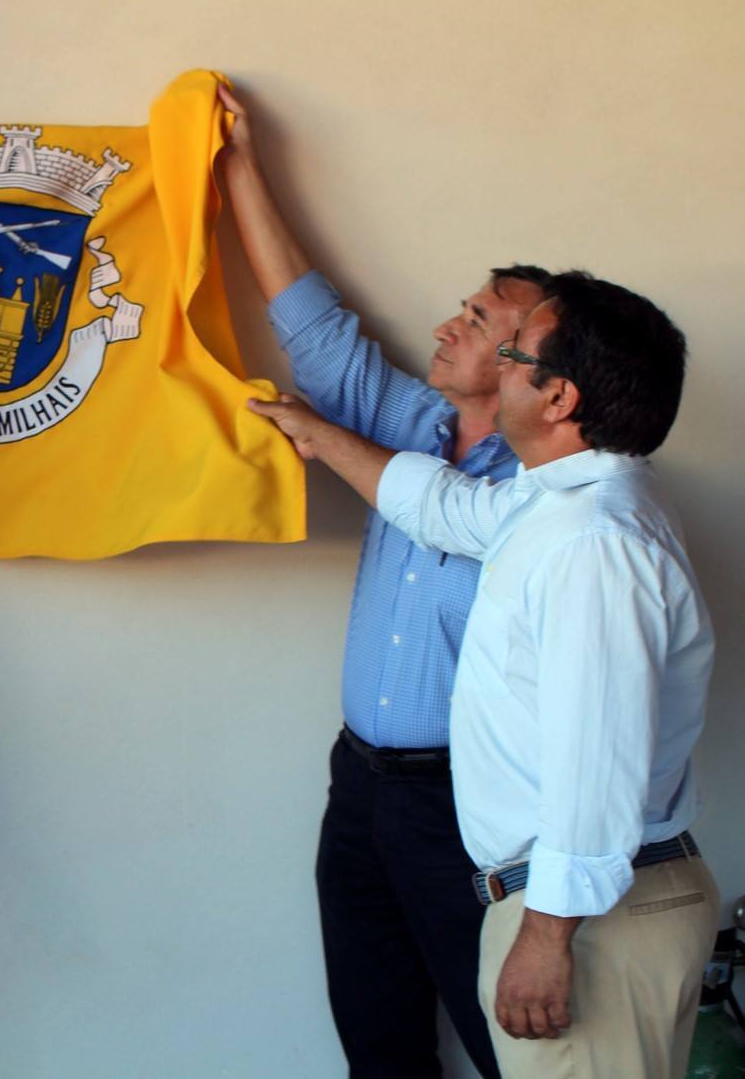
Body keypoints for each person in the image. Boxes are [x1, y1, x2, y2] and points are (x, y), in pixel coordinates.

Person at [248, 270, 718, 1079]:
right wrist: (317, 433)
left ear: (558, 397)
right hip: (573, 902)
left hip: (589, 916)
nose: (495, 363)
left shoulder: (593, 544)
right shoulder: (558, 505)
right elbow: (441, 507)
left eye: (514, 352)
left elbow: (594, 758)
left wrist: (545, 935)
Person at [218, 83, 547, 1076]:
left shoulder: (545, 492)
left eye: (476, 318)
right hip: (358, 785)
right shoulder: (406, 420)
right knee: (378, 1041)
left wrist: (324, 437)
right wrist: (234, 161)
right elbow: (307, 319)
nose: (448, 324)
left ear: (529, 361)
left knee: (510, 1048)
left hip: (467, 806)